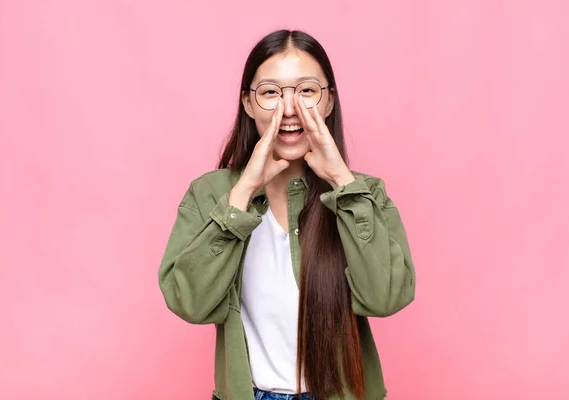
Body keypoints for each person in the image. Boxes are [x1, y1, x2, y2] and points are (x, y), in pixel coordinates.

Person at [158, 29, 416, 400]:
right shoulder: (212, 194)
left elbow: (386, 298)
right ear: (248, 103)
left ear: (329, 102)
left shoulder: (364, 193)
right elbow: (190, 303)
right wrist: (243, 193)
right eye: (271, 93)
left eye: (307, 91)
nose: (289, 109)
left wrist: (342, 182)